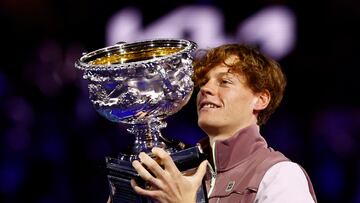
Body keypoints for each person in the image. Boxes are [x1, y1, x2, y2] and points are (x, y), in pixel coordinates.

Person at [128, 44, 317, 203]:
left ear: (260, 99)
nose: (205, 89)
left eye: (225, 82)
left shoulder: (280, 175)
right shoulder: (181, 177)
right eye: (203, 83)